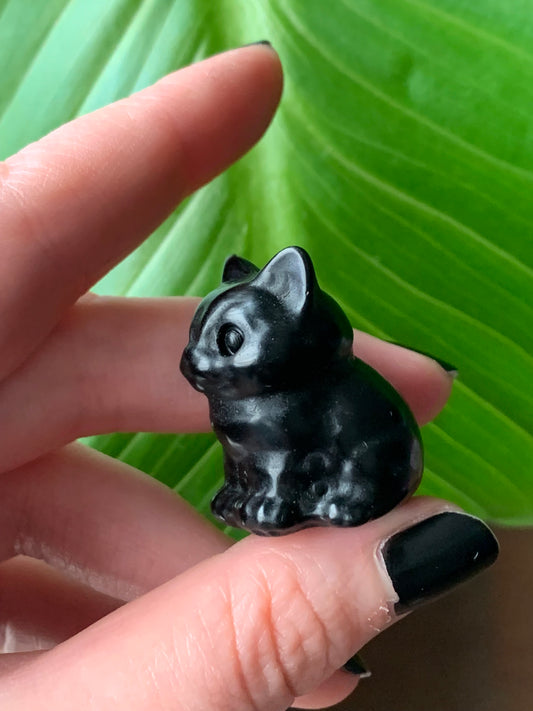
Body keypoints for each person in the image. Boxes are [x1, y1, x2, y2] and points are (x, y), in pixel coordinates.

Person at [0, 44, 497, 710]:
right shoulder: (249, 402)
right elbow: (255, 451)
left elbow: (287, 451)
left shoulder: (305, 397)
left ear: (293, 313)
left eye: (226, 343)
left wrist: (281, 498)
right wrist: (250, 486)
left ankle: (301, 496)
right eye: (201, 342)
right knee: (257, 460)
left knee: (305, 462)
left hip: (361, 466)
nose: (198, 361)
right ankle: (261, 497)